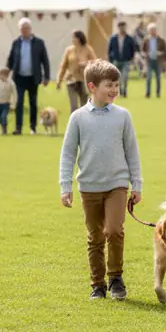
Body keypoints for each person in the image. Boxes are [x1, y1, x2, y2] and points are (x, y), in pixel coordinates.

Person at [59, 60, 143, 301]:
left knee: (114, 230)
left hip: (117, 184)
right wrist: (66, 187)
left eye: (116, 84)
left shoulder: (122, 116)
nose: (114, 90)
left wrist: (136, 184)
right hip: (89, 187)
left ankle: (116, 277)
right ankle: (98, 284)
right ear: (92, 86)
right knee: (95, 236)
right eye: (109, 85)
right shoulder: (77, 118)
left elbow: (132, 152)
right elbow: (67, 154)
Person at [6, 18, 50, 136]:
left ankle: (32, 127)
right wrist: (6, 72)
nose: (24, 31)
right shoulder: (16, 43)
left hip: (33, 78)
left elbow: (45, 60)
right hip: (19, 77)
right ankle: (18, 128)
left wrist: (46, 76)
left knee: (33, 103)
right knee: (19, 102)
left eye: (26, 28)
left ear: (30, 29)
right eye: (22, 29)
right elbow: (10, 59)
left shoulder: (39, 43)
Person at [56, 30, 96, 114]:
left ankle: (84, 124)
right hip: (71, 80)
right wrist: (59, 80)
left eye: (73, 37)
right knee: (73, 106)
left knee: (84, 105)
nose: (72, 39)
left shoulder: (87, 49)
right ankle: (74, 125)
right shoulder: (69, 50)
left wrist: (85, 63)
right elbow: (63, 66)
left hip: (83, 81)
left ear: (79, 38)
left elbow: (95, 63)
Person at [108, 21, 137, 98]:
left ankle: (124, 91)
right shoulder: (113, 38)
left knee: (124, 77)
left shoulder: (129, 38)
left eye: (123, 27)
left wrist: (132, 59)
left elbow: (133, 49)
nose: (122, 28)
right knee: (117, 78)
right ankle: (120, 90)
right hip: (116, 60)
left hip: (126, 60)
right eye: (121, 27)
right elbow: (109, 49)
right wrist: (110, 60)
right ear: (118, 28)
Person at [141, 23, 166, 99]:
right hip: (149, 60)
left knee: (158, 78)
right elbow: (142, 50)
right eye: (151, 30)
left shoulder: (161, 40)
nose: (152, 32)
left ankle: (158, 93)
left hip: (158, 61)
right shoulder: (146, 39)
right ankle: (148, 93)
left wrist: (160, 53)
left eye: (153, 30)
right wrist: (145, 54)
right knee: (149, 77)